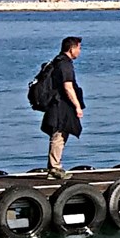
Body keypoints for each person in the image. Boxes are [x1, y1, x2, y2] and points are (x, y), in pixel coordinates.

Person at [41, 36, 86, 180]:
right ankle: (54, 168)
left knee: (61, 133)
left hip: (57, 103)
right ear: (71, 49)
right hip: (60, 104)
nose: (80, 51)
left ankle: (55, 166)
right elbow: (68, 87)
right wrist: (77, 106)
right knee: (59, 134)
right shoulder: (65, 64)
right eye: (79, 48)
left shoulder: (58, 61)